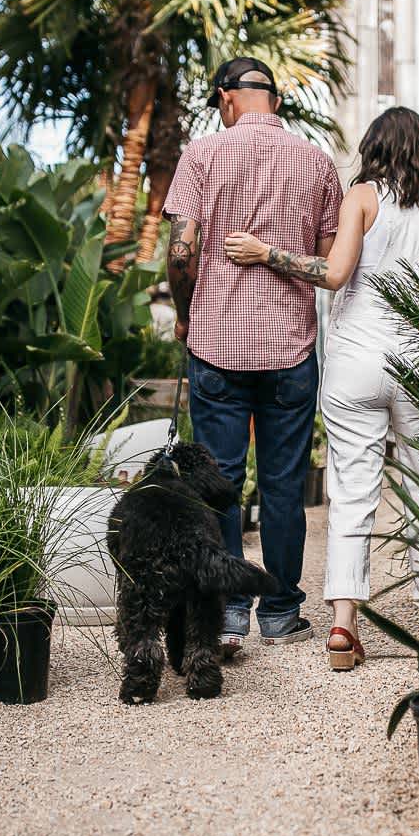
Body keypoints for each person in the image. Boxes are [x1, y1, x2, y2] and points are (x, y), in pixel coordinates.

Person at [224, 106, 419, 671]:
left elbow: (333, 275)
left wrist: (266, 254)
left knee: (352, 494)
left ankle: (343, 626)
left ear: (375, 148)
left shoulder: (361, 196)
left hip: (357, 360)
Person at [164, 57, 343, 657]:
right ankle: (282, 611)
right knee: (285, 483)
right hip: (290, 346)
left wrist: (188, 311)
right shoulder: (317, 162)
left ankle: (230, 610)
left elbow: (181, 250)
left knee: (219, 484)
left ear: (226, 99)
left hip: (216, 344)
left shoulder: (200, 156)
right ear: (273, 99)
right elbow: (328, 268)